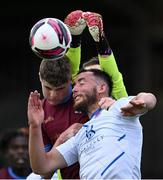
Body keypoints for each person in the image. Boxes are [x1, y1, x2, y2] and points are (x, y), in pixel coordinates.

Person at [28, 10, 128, 179]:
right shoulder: (39, 112)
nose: (53, 95)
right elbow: (44, 170)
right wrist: (38, 128)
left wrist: (99, 41)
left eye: (59, 89)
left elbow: (116, 83)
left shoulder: (97, 103)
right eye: (48, 88)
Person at [27, 68, 157, 179]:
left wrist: (143, 101)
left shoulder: (117, 109)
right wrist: (35, 125)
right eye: (74, 85)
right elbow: (42, 167)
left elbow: (150, 99)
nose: (74, 89)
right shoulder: (80, 135)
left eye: (81, 83)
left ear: (101, 88)